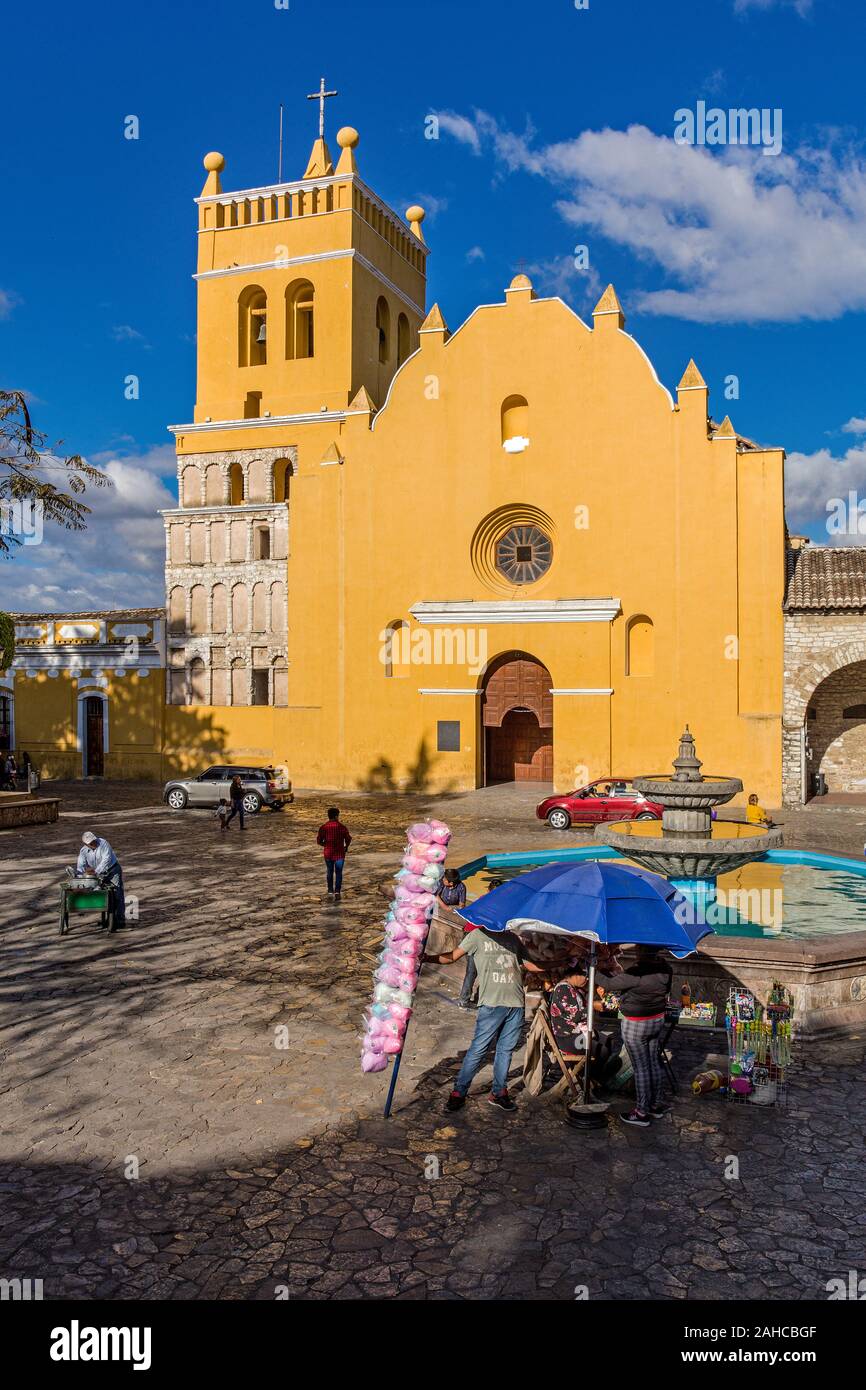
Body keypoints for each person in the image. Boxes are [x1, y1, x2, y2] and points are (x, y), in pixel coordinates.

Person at [426, 928, 544, 1112]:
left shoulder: (513, 939)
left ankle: (499, 1092)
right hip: (491, 1005)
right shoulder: (477, 936)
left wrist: (565, 963)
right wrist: (426, 958)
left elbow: (531, 965)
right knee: (478, 1050)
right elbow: (451, 957)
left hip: (515, 1004)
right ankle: (459, 1092)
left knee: (505, 1051)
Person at [600, 944, 673, 1127]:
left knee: (641, 1067)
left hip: (636, 1023)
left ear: (641, 952)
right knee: (654, 1062)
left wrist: (590, 969)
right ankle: (656, 1104)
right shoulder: (666, 968)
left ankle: (641, 1112)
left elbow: (608, 984)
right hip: (656, 1020)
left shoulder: (637, 973)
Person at [548, 968, 614, 1073]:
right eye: (585, 976)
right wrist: (593, 1006)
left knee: (609, 1042)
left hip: (578, 1031)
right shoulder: (563, 990)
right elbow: (575, 1017)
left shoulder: (573, 988)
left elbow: (580, 1008)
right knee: (603, 1051)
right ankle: (591, 1078)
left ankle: (593, 1075)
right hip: (568, 1037)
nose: (587, 979)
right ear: (574, 975)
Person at [434, 869, 475, 1008]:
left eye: (446, 880)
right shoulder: (441, 883)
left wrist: (457, 908)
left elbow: (462, 904)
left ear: (451, 883)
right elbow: (435, 895)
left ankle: (464, 999)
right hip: (445, 909)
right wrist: (445, 907)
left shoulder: (461, 887)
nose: (443, 880)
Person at [76, 830, 126, 927]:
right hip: (99, 874)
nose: (93, 843)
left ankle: (120, 920)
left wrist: (96, 872)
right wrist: (79, 877)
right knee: (104, 895)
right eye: (90, 843)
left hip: (112, 870)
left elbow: (106, 859)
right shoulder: (83, 851)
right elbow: (80, 866)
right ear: (86, 844)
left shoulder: (103, 843)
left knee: (117, 894)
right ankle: (109, 920)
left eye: (93, 841)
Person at [316, 807, 352, 899]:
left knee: (329, 871)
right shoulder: (342, 827)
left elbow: (319, 841)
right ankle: (337, 892)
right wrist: (346, 847)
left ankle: (330, 891)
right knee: (339, 872)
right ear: (336, 816)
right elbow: (348, 838)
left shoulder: (324, 827)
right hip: (340, 853)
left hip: (328, 853)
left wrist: (326, 844)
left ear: (328, 816)